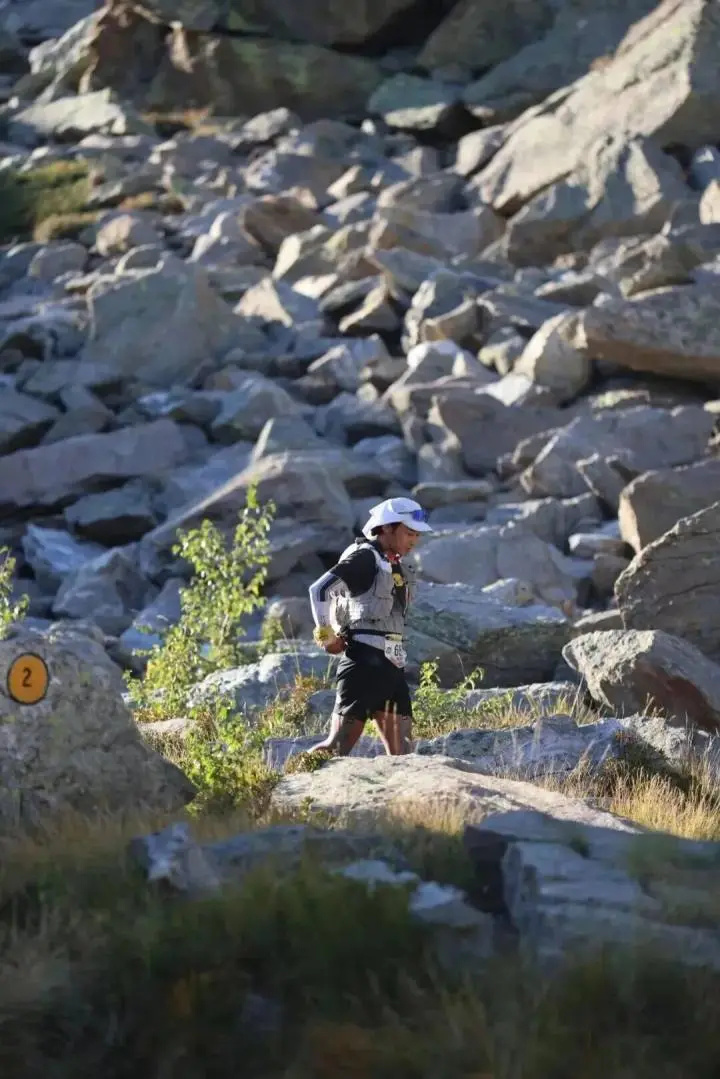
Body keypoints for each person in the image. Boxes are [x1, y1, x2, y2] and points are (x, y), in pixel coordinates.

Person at [307, 497, 432, 757]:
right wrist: (326, 636)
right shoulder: (365, 558)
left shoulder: (394, 563)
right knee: (335, 749)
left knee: (405, 757)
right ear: (387, 527)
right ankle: (291, 788)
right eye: (409, 533)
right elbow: (319, 589)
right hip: (363, 664)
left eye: (416, 535)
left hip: (392, 668)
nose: (414, 541)